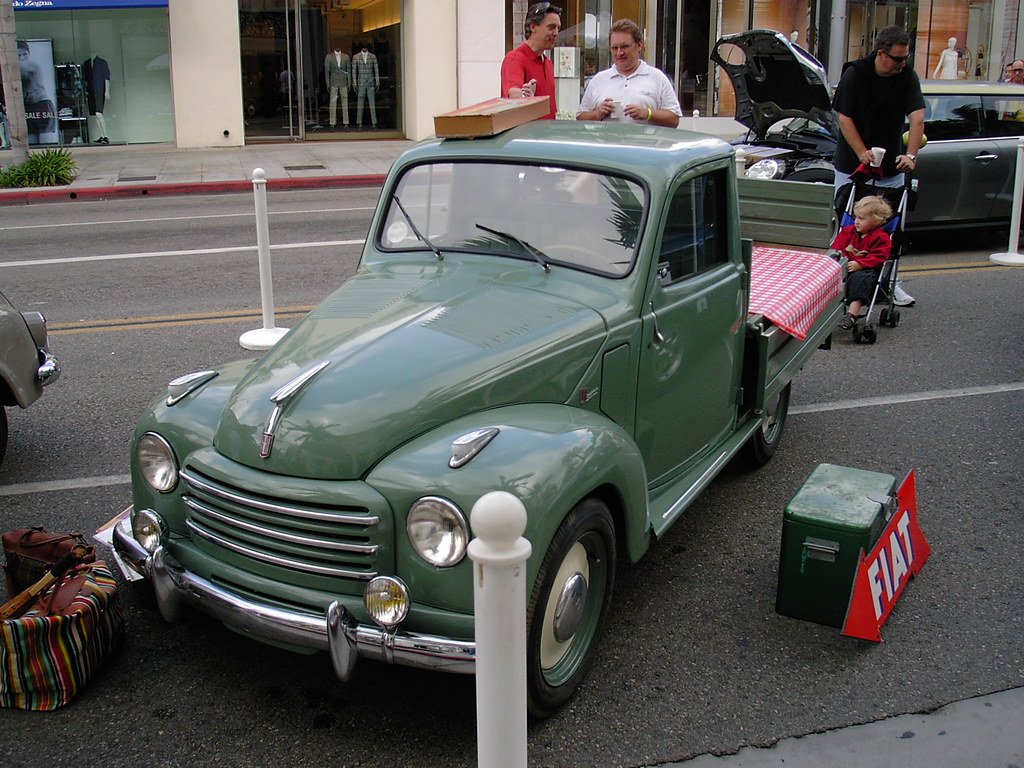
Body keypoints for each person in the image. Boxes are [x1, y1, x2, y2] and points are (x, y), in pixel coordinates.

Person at [832, 25, 924, 307]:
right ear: (881, 54)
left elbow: (918, 116)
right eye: (898, 58)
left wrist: (911, 155)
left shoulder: (906, 76)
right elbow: (844, 117)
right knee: (848, 224)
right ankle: (839, 283)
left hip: (891, 167)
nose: (903, 63)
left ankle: (889, 282)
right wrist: (861, 151)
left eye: (906, 58)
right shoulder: (855, 73)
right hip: (852, 165)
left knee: (887, 229)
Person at [576, 19, 681, 128]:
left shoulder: (657, 78)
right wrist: (598, 114)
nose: (619, 53)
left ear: (639, 45)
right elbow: (580, 119)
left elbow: (674, 119)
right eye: (615, 48)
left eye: (625, 46)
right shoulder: (598, 80)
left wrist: (648, 113)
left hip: (643, 144)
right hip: (608, 143)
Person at [831, 195, 893, 330]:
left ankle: (852, 313)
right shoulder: (848, 232)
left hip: (866, 270)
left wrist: (861, 264)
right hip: (844, 267)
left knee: (861, 278)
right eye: (856, 217)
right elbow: (837, 248)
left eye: (862, 218)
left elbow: (879, 256)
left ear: (876, 221)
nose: (857, 222)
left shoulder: (881, 238)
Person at [500, 2, 561, 119]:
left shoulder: (548, 63)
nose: (556, 33)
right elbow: (513, 93)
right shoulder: (515, 59)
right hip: (527, 135)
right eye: (551, 27)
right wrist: (525, 96)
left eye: (558, 28)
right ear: (533, 27)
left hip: (548, 133)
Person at [353, 46, 379, 129]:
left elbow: (376, 70)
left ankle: (374, 122)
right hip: (361, 82)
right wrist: (354, 83)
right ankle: (359, 122)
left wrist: (377, 81)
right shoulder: (356, 57)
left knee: (372, 103)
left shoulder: (372, 56)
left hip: (370, 82)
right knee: (360, 103)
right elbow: (354, 71)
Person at [324, 47, 350, 129]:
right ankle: (332, 122)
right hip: (334, 82)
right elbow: (327, 71)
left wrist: (349, 82)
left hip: (343, 82)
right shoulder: (329, 57)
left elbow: (348, 70)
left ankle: (346, 122)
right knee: (332, 103)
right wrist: (328, 83)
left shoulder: (346, 57)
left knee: (345, 102)